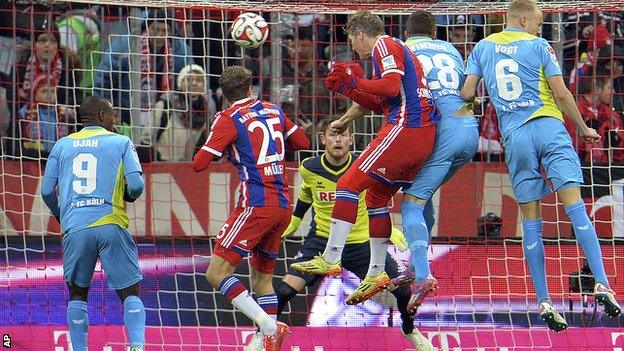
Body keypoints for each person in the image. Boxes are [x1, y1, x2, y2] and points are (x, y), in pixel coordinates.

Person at [460, 0, 621, 332]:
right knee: (575, 207)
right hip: (548, 126)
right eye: (537, 22)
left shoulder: (482, 47)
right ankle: (603, 284)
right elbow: (562, 94)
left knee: (531, 219)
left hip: (515, 138)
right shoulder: (539, 46)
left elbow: (466, 93)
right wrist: (582, 128)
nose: (539, 27)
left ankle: (544, 300)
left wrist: (472, 101)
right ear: (522, 19)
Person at [291, 10, 440, 306]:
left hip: (406, 128)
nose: (353, 46)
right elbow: (381, 101)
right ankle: (375, 273)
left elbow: (389, 88)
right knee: (374, 199)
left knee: (347, 185)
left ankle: (330, 258)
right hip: (418, 134)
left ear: (360, 34)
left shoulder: (385, 45)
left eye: (351, 38)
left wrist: (353, 81)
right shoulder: (390, 54)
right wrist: (349, 87)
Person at [246, 118, 433, 351]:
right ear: (323, 139)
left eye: (343, 135)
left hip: (361, 245)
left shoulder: (365, 167)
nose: (338, 139)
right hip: (320, 244)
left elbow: (379, 201)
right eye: (333, 135)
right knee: (283, 291)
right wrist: (296, 218)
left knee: (405, 292)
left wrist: (389, 229)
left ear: (351, 140)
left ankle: (409, 330)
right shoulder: (309, 168)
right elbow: (307, 193)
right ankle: (260, 335)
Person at [192, 66, 310, 351]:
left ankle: (270, 328)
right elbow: (303, 142)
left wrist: (222, 145)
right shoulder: (273, 109)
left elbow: (198, 164)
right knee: (262, 281)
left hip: (255, 204)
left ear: (223, 95)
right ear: (250, 89)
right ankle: (263, 342)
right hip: (283, 204)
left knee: (215, 274)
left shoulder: (227, 118)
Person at [40, 95, 146, 351]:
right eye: (112, 114)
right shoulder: (121, 142)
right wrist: (128, 196)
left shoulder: (61, 145)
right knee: (130, 293)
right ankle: (137, 346)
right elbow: (137, 185)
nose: (115, 119)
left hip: (76, 228)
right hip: (110, 224)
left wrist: (61, 215)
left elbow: (46, 191)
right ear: (102, 117)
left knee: (78, 295)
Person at [393, 10, 479, 313]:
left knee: (410, 204)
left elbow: (392, 91)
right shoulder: (451, 49)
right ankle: (418, 266)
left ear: (407, 31)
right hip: (470, 132)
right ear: (434, 31)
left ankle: (422, 274)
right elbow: (469, 90)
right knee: (422, 191)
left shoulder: (401, 49)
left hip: (442, 132)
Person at [93, 9, 193, 143]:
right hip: (126, 113)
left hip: (167, 115)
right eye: (155, 30)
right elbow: (104, 80)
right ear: (147, 27)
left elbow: (193, 81)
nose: (159, 35)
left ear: (171, 31)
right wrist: (108, 111)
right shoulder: (123, 46)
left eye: (165, 31)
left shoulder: (181, 51)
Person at [139, 64, 216, 162]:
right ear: (180, 83)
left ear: (204, 85)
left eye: (199, 80)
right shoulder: (166, 106)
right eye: (189, 79)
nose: (194, 83)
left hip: (188, 172)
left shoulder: (206, 112)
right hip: (160, 169)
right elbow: (146, 139)